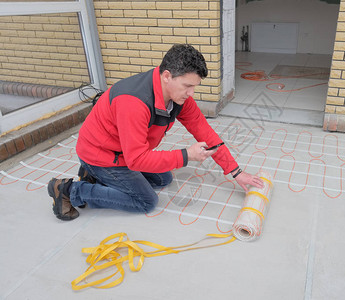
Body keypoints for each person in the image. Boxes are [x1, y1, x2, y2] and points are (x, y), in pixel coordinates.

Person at [47, 44, 264, 221]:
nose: (191, 93)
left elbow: (205, 132)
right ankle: (70, 190)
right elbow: (136, 159)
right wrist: (186, 156)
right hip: (101, 155)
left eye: (194, 86)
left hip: (125, 152)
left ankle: (96, 177)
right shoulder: (134, 102)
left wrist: (235, 171)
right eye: (187, 86)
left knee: (164, 178)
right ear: (167, 75)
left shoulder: (178, 97)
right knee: (145, 201)